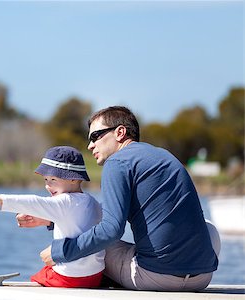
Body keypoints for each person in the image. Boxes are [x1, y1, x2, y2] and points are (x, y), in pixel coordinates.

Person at [18, 106, 220, 292]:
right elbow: (108, 212)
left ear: (120, 132)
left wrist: (60, 251)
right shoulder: (164, 156)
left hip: (157, 278)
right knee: (208, 227)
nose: (90, 145)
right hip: (202, 277)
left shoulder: (117, 162)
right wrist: (52, 220)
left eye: (95, 136)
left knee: (93, 244)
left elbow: (111, 230)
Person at [0, 146, 105, 288]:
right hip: (95, 275)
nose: (48, 186)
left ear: (73, 179)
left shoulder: (64, 200)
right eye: (46, 179)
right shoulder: (91, 201)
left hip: (70, 277)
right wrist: (48, 221)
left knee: (37, 278)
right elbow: (78, 222)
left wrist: (1, 199)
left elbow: (36, 202)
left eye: (53, 179)